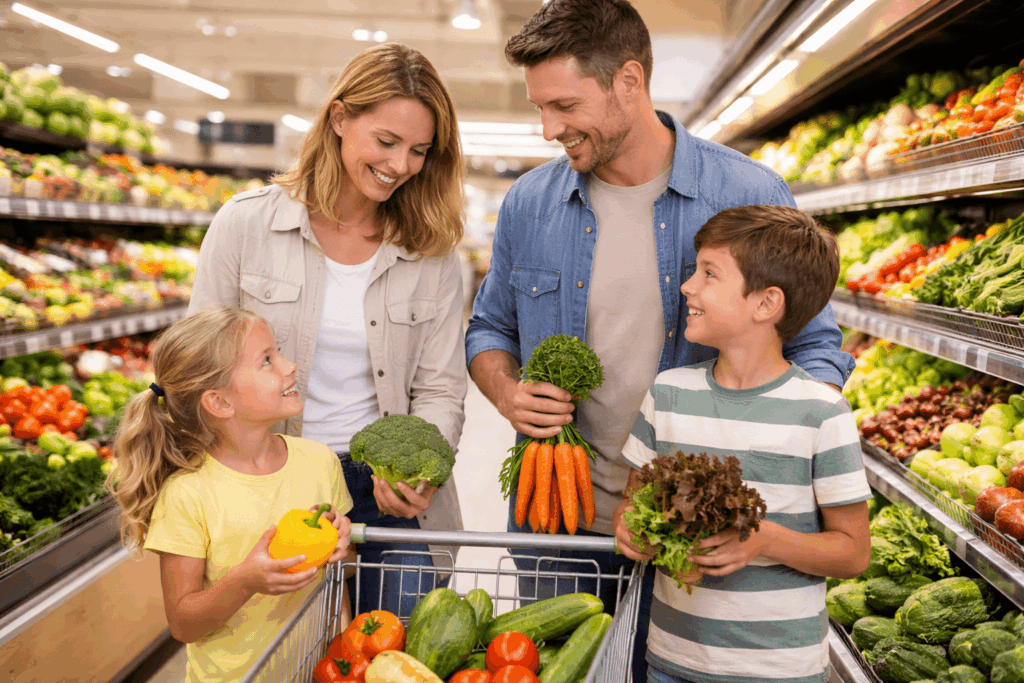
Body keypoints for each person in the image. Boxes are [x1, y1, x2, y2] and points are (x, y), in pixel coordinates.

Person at [465, 0, 856, 680]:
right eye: (540, 108)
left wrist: (776, 449)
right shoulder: (530, 202)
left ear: (629, 81)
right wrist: (506, 390)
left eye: (564, 105)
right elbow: (490, 328)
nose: (549, 128)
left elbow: (815, 346)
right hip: (558, 519)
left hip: (697, 530)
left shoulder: (745, 189)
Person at [188, 42, 468, 616]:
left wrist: (421, 473)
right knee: (285, 648)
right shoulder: (247, 224)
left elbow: (440, 388)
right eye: (386, 141)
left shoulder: (431, 252)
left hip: (385, 489)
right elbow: (196, 366)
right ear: (339, 118)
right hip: (270, 475)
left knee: (401, 645)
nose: (401, 165)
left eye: (419, 151)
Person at [613, 205, 872, 683]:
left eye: (709, 274)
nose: (687, 286)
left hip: (780, 670)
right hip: (672, 662)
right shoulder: (668, 394)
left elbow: (853, 553)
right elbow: (632, 503)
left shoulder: (822, 412)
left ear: (765, 303)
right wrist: (632, 530)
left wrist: (763, 539)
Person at [107, 307, 355, 683]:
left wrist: (341, 547)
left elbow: (343, 573)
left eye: (278, 352)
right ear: (220, 402)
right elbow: (183, 624)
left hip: (316, 671)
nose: (289, 366)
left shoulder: (320, 462)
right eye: (267, 360)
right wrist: (245, 582)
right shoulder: (188, 494)